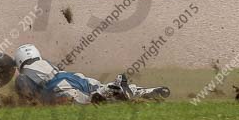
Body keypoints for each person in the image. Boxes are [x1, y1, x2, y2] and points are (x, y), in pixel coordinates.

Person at [13, 44, 169, 105]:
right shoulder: (45, 63)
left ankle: (107, 91)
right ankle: (145, 92)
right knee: (99, 93)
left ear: (19, 62)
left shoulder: (23, 75)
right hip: (74, 77)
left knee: (88, 102)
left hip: (59, 86)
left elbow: (29, 97)